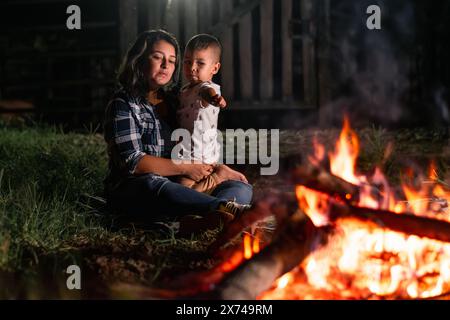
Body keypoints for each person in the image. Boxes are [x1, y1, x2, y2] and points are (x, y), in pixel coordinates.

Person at [103, 30, 252, 232]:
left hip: (181, 185)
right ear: (139, 60)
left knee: (239, 186)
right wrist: (185, 167)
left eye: (172, 61)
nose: (166, 65)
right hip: (140, 186)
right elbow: (133, 162)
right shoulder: (124, 103)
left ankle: (198, 219)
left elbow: (195, 141)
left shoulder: (176, 101)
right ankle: (222, 210)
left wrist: (215, 168)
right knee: (152, 184)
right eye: (158, 57)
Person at [175, 34, 226, 194]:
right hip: (187, 153)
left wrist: (214, 98)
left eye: (200, 63)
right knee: (184, 190)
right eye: (187, 62)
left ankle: (218, 177)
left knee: (185, 191)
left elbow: (206, 91)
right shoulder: (185, 90)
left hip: (200, 156)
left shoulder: (205, 88)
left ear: (215, 68)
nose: (192, 68)